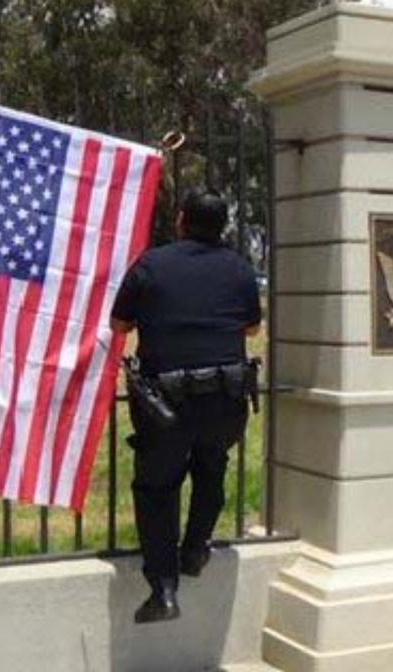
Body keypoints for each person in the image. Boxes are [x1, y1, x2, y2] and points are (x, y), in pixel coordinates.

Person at [110, 187, 262, 623]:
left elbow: (119, 323)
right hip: (225, 397)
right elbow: (252, 328)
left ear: (180, 220)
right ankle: (195, 549)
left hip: (167, 405)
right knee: (211, 470)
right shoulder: (238, 269)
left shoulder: (152, 264)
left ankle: (163, 589)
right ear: (222, 226)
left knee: (156, 490)